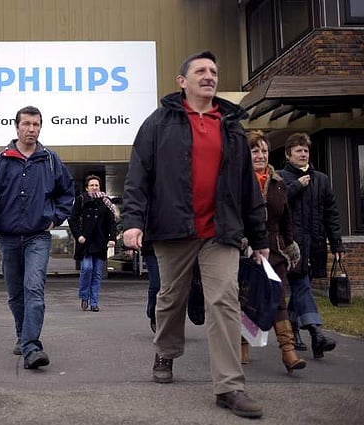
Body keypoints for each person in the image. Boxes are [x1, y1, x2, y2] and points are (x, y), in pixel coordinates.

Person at [121, 50, 269, 419]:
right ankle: (166, 351)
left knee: (224, 300)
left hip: (221, 230)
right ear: (182, 81)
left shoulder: (232, 126)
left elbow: (247, 186)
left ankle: (229, 386)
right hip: (173, 229)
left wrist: (259, 237)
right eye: (200, 70)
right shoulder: (158, 123)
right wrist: (133, 221)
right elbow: (139, 176)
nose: (209, 76)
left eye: (213, 71)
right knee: (172, 298)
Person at [0, 105, 74, 370]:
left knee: (34, 288)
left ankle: (31, 347)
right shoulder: (0, 160)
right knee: (16, 293)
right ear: (17, 126)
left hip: (38, 236)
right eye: (27, 124)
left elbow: (67, 192)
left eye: (36, 124)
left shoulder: (50, 160)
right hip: (7, 238)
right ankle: (22, 334)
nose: (31, 129)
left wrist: (56, 218)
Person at [243, 130, 306, 373]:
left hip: (274, 252)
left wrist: (290, 246)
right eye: (254, 150)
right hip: (245, 253)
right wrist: (243, 242)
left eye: (264, 151)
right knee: (244, 300)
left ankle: (288, 352)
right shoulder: (238, 181)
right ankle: (241, 344)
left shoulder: (278, 183)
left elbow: (286, 219)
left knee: (278, 299)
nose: (260, 155)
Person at [278, 132, 345, 358]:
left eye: (305, 150)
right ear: (288, 155)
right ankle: (316, 333)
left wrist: (337, 245)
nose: (303, 154)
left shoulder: (321, 180)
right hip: (290, 247)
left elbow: (331, 214)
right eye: (298, 150)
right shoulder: (280, 178)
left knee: (301, 287)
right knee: (302, 286)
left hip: (314, 246)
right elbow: (276, 205)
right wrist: (296, 186)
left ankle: (294, 330)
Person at [68, 175, 117, 312]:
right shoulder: (81, 200)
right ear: (87, 187)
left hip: (100, 241)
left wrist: (112, 238)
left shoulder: (105, 202)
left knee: (97, 273)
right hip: (85, 242)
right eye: (92, 185)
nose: (94, 187)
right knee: (87, 268)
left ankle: (94, 302)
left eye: (96, 185)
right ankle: (84, 296)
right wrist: (78, 236)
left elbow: (111, 222)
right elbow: (72, 220)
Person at [142, 242, 160, 333]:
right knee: (156, 284)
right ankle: (153, 313)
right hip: (151, 248)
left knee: (173, 286)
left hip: (174, 246)